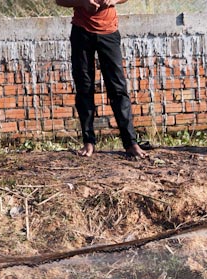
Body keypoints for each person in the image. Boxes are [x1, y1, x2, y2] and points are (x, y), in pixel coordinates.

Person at [55, 0, 147, 159]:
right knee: (84, 87)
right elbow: (59, 1)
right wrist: (82, 3)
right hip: (81, 32)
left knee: (118, 88)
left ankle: (131, 143)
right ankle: (88, 142)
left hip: (109, 32)